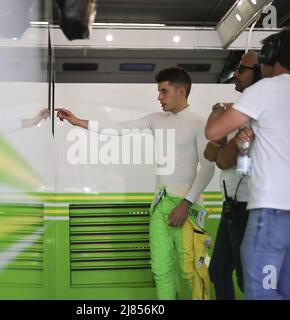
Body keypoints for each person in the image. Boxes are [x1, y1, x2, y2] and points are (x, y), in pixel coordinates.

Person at [56, 66, 215, 299]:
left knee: (190, 271)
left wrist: (186, 204)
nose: (158, 97)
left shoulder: (199, 123)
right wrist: (78, 122)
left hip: (187, 207)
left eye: (163, 91)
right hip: (159, 204)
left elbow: (209, 168)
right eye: (159, 92)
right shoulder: (155, 119)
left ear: (181, 91)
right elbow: (119, 129)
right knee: (160, 270)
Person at [205, 28, 290, 300]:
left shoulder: (267, 89)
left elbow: (213, 133)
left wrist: (219, 108)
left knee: (259, 291)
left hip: (271, 209)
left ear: (269, 57)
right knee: (285, 290)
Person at [204, 51, 260, 299]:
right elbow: (209, 152)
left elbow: (223, 159)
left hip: (248, 206)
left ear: (259, 73)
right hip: (233, 206)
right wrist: (219, 111)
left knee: (247, 278)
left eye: (242, 69)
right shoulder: (237, 113)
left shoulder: (252, 114)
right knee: (218, 271)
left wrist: (222, 144)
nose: (235, 74)